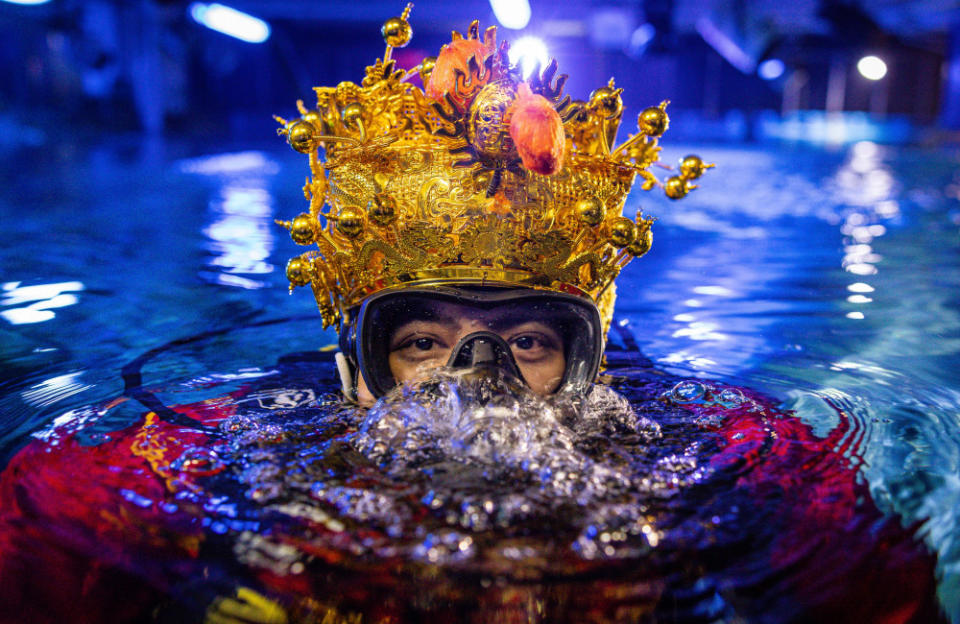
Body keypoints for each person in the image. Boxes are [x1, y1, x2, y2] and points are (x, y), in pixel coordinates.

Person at [0, 7, 947, 624]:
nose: (476, 378)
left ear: (592, 361)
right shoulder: (209, 457)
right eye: (419, 340)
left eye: (530, 340)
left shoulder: (727, 455)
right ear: (350, 367)